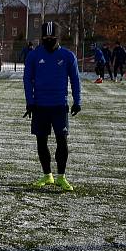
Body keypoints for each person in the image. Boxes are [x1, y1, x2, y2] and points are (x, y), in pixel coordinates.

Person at [23, 21, 81, 192]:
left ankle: (61, 177)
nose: (49, 40)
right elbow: (27, 79)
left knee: (62, 141)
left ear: (58, 37)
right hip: (40, 106)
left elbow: (75, 80)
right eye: (45, 38)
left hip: (59, 106)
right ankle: (47, 175)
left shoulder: (68, 56)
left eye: (52, 37)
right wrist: (30, 101)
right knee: (41, 141)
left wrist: (77, 101)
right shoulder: (33, 56)